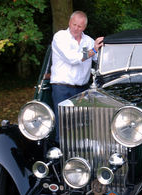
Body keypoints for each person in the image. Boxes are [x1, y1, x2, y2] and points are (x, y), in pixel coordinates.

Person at [50, 10, 104, 140]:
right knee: (63, 126)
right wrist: (93, 50)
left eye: (79, 26)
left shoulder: (89, 41)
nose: (75, 28)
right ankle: (61, 155)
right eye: (74, 24)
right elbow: (72, 59)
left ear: (84, 27)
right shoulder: (60, 37)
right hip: (62, 88)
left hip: (82, 90)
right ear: (69, 22)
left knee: (81, 125)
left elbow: (99, 60)